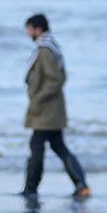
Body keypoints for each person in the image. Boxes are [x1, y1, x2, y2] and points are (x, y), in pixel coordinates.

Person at [21, 13, 90, 198]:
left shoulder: (45, 49)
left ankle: (31, 189)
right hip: (50, 109)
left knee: (37, 146)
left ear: (38, 29)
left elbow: (56, 79)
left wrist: (38, 100)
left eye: (29, 29)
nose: (28, 33)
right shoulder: (50, 46)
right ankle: (80, 184)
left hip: (46, 111)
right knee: (57, 145)